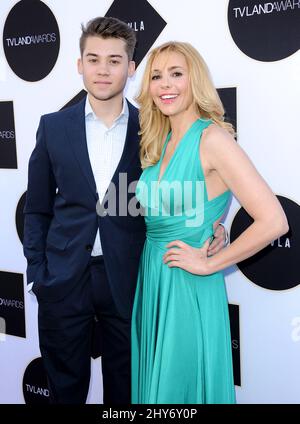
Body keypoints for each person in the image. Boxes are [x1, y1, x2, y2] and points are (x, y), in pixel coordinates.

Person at [23, 18, 226, 404]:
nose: (103, 69)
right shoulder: (51, 127)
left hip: (131, 283)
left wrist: (214, 226)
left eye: (114, 60)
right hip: (63, 281)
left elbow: (186, 188)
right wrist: (38, 274)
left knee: (128, 393)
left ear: (131, 69)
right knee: (63, 392)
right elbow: (36, 210)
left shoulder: (155, 129)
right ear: (79, 64)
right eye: (94, 59)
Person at [131, 41, 289, 404]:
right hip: (153, 279)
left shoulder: (213, 138)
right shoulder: (161, 141)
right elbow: (188, 204)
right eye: (156, 76)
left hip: (187, 288)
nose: (165, 85)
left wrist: (211, 263)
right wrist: (212, 226)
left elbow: (274, 220)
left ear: (195, 80)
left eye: (176, 74)